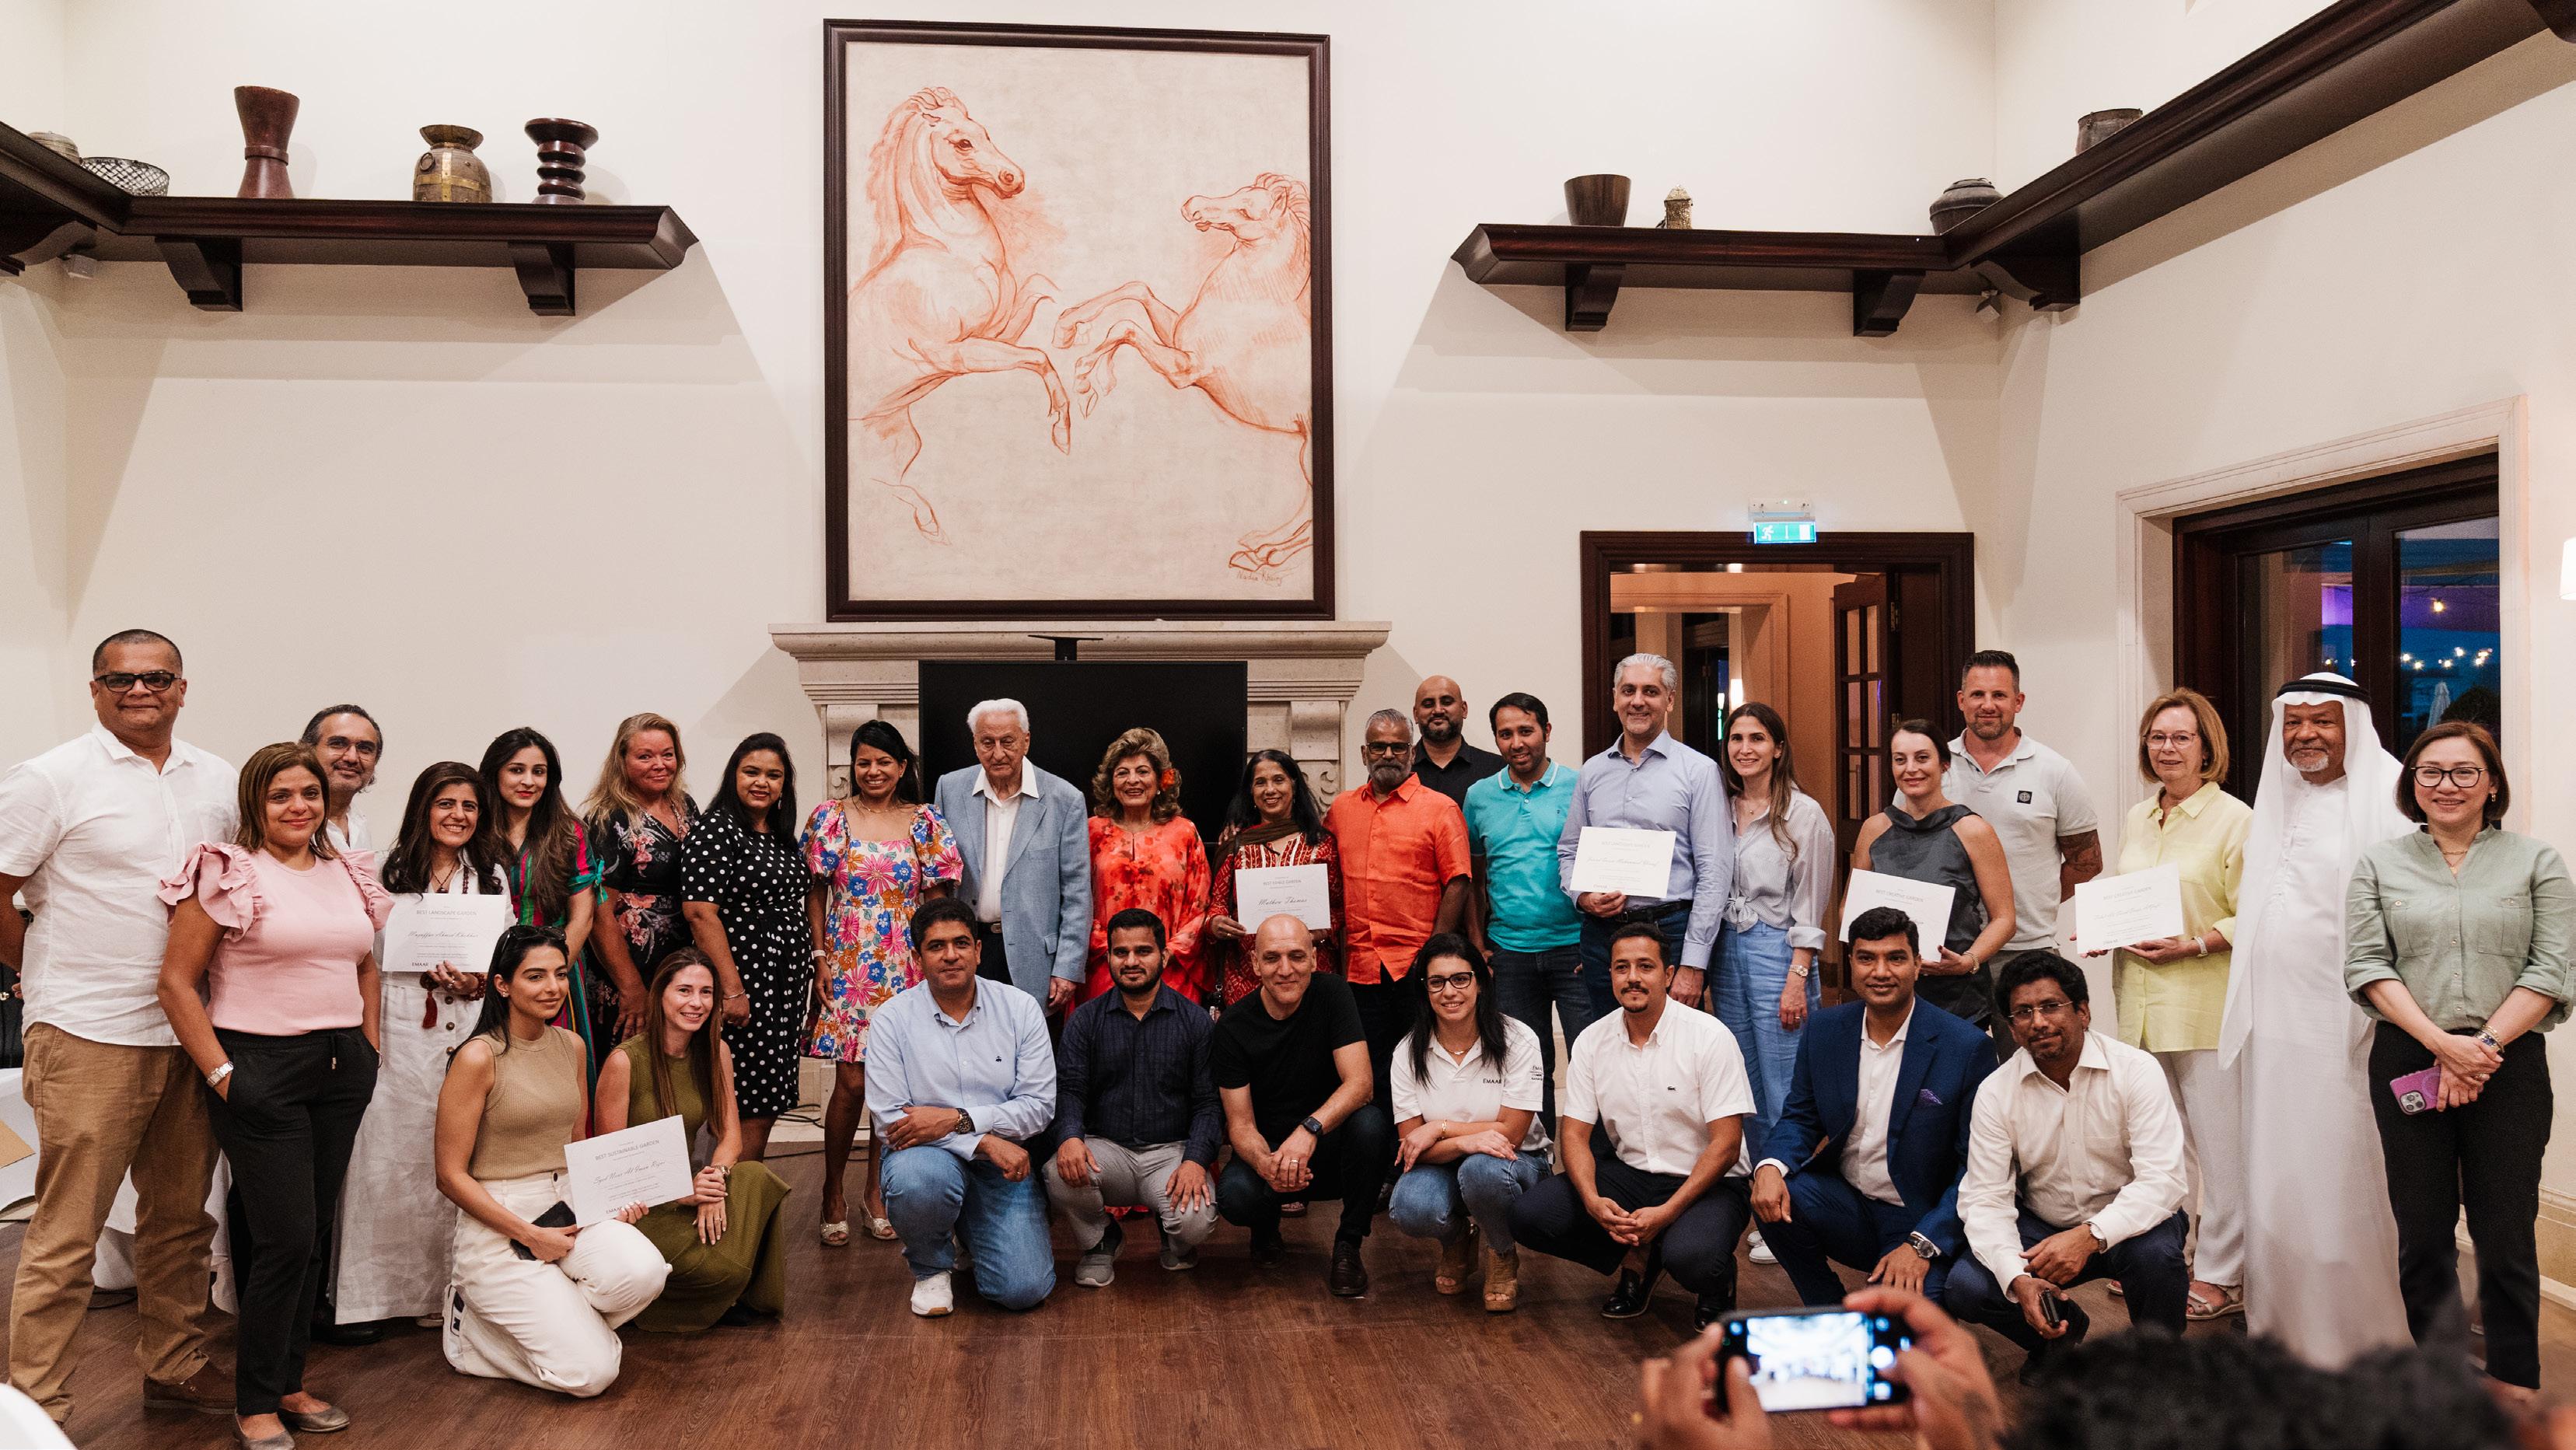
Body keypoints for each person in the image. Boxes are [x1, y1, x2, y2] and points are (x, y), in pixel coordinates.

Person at [0, 631, 236, 1424]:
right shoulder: (51, 777)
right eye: (121, 678)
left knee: (180, 1220)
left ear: (182, 687)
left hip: (191, 1031)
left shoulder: (219, 779)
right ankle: (37, 1405)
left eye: (157, 676)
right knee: (67, 1229)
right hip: (88, 1029)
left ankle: (176, 1363)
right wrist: (37, 968)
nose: (140, 689)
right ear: (95, 689)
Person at [155, 742, 390, 1448]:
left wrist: (369, 1047)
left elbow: (364, 963)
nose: (298, 806)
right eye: (281, 794)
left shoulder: (345, 869)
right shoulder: (228, 870)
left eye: (309, 793)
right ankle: (255, 1399)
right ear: (255, 801)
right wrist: (223, 1075)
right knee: (284, 1235)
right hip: (260, 1067)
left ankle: (288, 1381)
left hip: (340, 1067)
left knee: (310, 1232)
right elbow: (176, 982)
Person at [2348, 720, 2573, 1400]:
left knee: (2505, 1231)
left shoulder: (2537, 861)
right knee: (2422, 1233)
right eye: (2430, 772)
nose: (2446, 785)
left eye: (2463, 771)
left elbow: (2550, 968)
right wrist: (2442, 1044)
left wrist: (2481, 1046)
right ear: (2411, 784)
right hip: (2408, 1053)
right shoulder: (2378, 865)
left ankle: (2512, 1381)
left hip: (2508, 1062)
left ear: (2491, 783)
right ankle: (2441, 1379)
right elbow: (2367, 964)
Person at [2219, 672, 2413, 1368]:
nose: (2305, 735)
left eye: (2322, 721)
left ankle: (2355, 1338)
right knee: (2275, 1172)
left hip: (2345, 1028)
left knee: (2341, 1175)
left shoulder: (2388, 800)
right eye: (2293, 722)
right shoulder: (2280, 798)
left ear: (2351, 727)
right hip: (2272, 1029)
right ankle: (2282, 1329)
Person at [434, 926, 667, 1397]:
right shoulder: (477, 1057)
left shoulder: (572, 1045)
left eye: (560, 974)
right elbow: (449, 1176)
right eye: (535, 976)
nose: (553, 987)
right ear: (503, 985)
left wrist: (608, 1204)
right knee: (591, 1375)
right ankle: (470, 1334)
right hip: (500, 1220)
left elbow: (576, 1142)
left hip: (567, 1203)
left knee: (644, 1271)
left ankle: (560, 1320)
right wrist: (529, 1235)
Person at [2085, 687, 2249, 1322]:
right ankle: (2163, 1257)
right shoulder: (2137, 816)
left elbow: (2252, 914)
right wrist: (2103, 931)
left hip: (2204, 1002)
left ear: (2206, 747)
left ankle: (2222, 1272)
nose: (2167, 748)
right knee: (2159, 1145)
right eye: (2157, 737)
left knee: (2219, 1149)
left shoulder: (2235, 819)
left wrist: (2194, 943)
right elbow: (2127, 895)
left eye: (2181, 737)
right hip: (2140, 1000)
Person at [1945, 954, 2188, 1382]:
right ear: (2012, 1028)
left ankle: (2159, 1367)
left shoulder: (2135, 1070)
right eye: (2023, 1012)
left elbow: (2162, 1180)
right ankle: (2059, 1334)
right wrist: (2018, 1279)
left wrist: (2089, 1236)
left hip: (2130, 1223)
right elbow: (1985, 1198)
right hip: (2044, 1226)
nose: (2038, 1022)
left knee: (2157, 1255)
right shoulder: (1996, 1092)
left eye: (2051, 1006)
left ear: (2083, 1012)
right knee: (1968, 1286)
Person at [333, 763, 510, 1340]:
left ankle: (444, 1293)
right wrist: (368, 1042)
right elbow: (361, 953)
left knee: (455, 1154)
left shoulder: (490, 877)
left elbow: (502, 958)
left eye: (470, 806)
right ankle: (372, 1299)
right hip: (396, 1025)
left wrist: (476, 981)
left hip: (466, 1028)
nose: (458, 815)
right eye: (445, 803)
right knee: (386, 1154)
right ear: (422, 808)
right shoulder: (383, 870)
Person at [1509, 921, 1757, 1331]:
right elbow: (1574, 1135)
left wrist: (1667, 1213)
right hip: (1632, 1174)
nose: (1633, 978)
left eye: (1645, 966)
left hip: (1709, 1182)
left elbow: (1727, 1146)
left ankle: (1714, 1283)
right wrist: (1592, 1200)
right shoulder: (1592, 1040)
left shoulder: (1709, 1036)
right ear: (1610, 974)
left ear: (1669, 975)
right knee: (1530, 1215)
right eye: (1621, 968)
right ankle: (1637, 1257)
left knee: (1692, 1258)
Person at [1749, 906, 1994, 1309]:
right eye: (1867, 958)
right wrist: (1770, 1166)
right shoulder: (1825, 1029)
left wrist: (1923, 1242)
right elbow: (1800, 1116)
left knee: (1909, 1328)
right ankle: (1827, 1312)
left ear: (1918, 965)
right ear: (1852, 964)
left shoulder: (1966, 1047)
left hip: (1919, 1216)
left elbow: (1977, 1166)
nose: (1881, 972)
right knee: (1774, 1194)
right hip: (1847, 1202)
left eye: (1896, 958)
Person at [801, 719, 959, 1245]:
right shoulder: (830, 817)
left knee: (894, 1086)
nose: (873, 771)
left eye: (884, 762)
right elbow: (815, 892)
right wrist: (819, 956)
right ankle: (832, 1190)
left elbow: (937, 900)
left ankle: (876, 1191)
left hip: (906, 965)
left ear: (902, 766)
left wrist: (937, 964)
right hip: (849, 961)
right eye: (863, 761)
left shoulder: (925, 821)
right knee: (852, 1083)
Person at [865, 897, 1058, 1317]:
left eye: (961, 943)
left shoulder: (1021, 1009)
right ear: (917, 957)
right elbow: (892, 1124)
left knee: (1023, 1290)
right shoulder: (891, 1020)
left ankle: (970, 1230)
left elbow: (1039, 1108)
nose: (950, 955)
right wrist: (984, 1140)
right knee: (918, 1180)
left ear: (979, 950)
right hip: (928, 1159)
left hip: (1001, 1167)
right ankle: (931, 1266)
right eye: (936, 946)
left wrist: (955, 1120)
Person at [595, 948, 793, 1331]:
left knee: (756, 1176)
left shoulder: (716, 1051)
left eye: (706, 993)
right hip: (640, 1207)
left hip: (691, 1190)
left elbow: (731, 1136)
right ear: (660, 995)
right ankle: (709, 1290)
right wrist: (681, 1192)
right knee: (724, 1267)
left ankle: (732, 1290)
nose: (696, 1003)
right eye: (684, 991)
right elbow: (611, 1166)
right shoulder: (625, 1061)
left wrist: (714, 1183)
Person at [1213, 916, 1393, 1298]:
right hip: (1270, 1151)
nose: (1285, 970)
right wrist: (1267, 1165)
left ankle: (1348, 1245)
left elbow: (1361, 1085)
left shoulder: (1333, 994)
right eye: (1272, 958)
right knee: (1235, 1197)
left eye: (1296, 956)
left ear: (1313, 958)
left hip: (1326, 1146)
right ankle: (1265, 1228)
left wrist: (1309, 1129)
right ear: (1255, 964)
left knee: (1371, 1125)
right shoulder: (1232, 1026)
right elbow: (1240, 1125)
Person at [1045, 907, 1221, 1288]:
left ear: (1164, 956)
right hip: (1106, 1151)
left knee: (1194, 1221)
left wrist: (1195, 1160)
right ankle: (1100, 1240)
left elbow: (1209, 1104)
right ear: (1108, 957)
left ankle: (1174, 1238)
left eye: (1143, 951)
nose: (1131, 962)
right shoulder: (1085, 1020)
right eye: (1121, 952)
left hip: (1171, 1154)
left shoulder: (1195, 1022)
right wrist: (1070, 1137)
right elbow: (1070, 1090)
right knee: (1057, 1173)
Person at [1558, 652, 1732, 1018]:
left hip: (1671, 931)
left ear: (1670, 700)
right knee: (1608, 1038)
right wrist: (1582, 896)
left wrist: (1693, 963)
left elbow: (1714, 871)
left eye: (1650, 691)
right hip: (1602, 936)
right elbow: (1570, 849)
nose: (1637, 701)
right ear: (1615, 699)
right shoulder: (1592, 771)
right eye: (1628, 691)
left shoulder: (1699, 772)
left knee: (1675, 1043)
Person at [1385, 934, 1548, 1312]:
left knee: (1481, 1171)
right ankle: (1457, 1238)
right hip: (1442, 1162)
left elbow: (1512, 1133)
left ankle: (1502, 1251)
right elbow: (1411, 1147)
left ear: (1480, 982)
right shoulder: (1407, 1052)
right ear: (1425, 989)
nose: (1449, 992)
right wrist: (1462, 1141)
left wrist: (1439, 1128)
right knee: (1410, 1206)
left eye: (1461, 979)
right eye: (1437, 982)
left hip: (1516, 1161)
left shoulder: (1519, 1039)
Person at [680, 733, 816, 1163]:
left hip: (781, 988)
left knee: (768, 1095)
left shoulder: (777, 834)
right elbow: (700, 913)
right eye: (751, 772)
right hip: (745, 983)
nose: (762, 782)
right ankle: (732, 1195)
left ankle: (743, 1191)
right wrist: (732, 989)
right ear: (733, 776)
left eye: (773, 775)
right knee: (748, 1099)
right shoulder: (717, 829)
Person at [1715, 701, 1837, 1175]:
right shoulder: (1719, 807)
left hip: (1779, 952)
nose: (1745, 749)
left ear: (1778, 749)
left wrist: (1797, 978)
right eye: (1737, 739)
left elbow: (1811, 904)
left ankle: (1791, 1186)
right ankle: (1760, 1179)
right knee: (1742, 1076)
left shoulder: (1804, 815)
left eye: (1757, 739)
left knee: (1785, 1078)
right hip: (1726, 949)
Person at [1328, 709, 1471, 1104]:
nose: (1388, 755)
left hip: (1414, 964)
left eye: (1398, 747)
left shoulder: (1440, 809)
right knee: (1369, 1074)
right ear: (1364, 753)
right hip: (1358, 966)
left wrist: (1434, 952)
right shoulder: (1340, 809)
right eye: (1379, 747)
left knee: (1422, 1069)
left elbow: (1458, 881)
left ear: (1412, 753)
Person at [1851, 721, 2017, 1057]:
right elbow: (1848, 909)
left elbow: (2005, 919)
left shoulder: (1973, 830)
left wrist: (1968, 962)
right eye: (1900, 759)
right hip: (1887, 990)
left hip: (1954, 994)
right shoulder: (1874, 829)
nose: (1910, 768)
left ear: (1944, 764)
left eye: (1922, 758)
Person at [1463, 692, 1589, 1130]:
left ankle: (1593, 1156)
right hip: (1510, 952)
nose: (1516, 743)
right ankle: (1541, 1154)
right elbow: (1473, 879)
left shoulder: (1580, 785)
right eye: (1505, 734)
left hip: (1574, 949)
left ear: (1547, 732)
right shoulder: (1479, 797)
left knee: (1588, 1058)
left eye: (1526, 731)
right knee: (1528, 1066)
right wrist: (1478, 944)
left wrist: (1596, 940)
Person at [931, 699, 1087, 1014]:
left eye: (1008, 741)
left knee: (1027, 1041)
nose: (998, 753)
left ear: (1026, 741)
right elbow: (939, 874)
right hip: (966, 948)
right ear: (975, 744)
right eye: (988, 742)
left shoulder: (1065, 799)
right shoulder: (950, 788)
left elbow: (1077, 892)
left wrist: (1068, 967)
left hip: (1036, 957)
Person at [1941, 652, 2101, 957]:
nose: (1988, 705)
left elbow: (2087, 862)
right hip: (1947, 949)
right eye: (1978, 694)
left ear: (2018, 702)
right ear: (1961, 700)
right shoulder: (1932, 767)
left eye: (1999, 695)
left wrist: (2033, 904)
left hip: (2028, 950)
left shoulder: (2055, 771)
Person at [582, 712, 699, 1070]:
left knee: (673, 1069)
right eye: (645, 756)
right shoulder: (609, 818)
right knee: (629, 1070)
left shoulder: (685, 806)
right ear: (622, 760)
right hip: (627, 970)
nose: (659, 765)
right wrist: (631, 988)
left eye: (667, 754)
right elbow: (598, 911)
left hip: (677, 965)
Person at [480, 728, 600, 1054]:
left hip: (555, 975)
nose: (528, 781)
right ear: (495, 773)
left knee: (555, 1068)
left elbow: (583, 918)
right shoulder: (475, 828)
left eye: (539, 772)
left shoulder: (569, 832)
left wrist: (549, 978)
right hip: (485, 977)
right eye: (516, 770)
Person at [1082, 728, 1211, 1004]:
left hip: (1171, 971)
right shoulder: (1091, 832)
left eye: (1142, 771)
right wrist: (1113, 950)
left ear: (1161, 779)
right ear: (1110, 782)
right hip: (1106, 970)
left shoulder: (1184, 833)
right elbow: (1075, 901)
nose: (1133, 780)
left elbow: (1199, 907)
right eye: (1122, 773)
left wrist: (1165, 954)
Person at [1207, 749, 1343, 1005]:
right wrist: (1216, 924)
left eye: (1278, 780)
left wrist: (1322, 932)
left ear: (1294, 784)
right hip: (1247, 981)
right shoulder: (1236, 846)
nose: (1270, 790)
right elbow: (1217, 905)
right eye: (1260, 782)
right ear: (1250, 791)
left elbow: (1338, 909)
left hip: (1310, 978)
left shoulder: (1322, 843)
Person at [1407, 674, 1505, 809]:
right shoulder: (1399, 770)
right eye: (1428, 704)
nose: (1438, 710)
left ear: (1464, 709)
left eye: (1447, 702)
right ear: (1416, 714)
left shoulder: (1497, 769)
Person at [300, 704, 383, 855]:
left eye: (365, 748)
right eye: (338, 744)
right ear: (308, 750)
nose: (352, 758)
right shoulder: (288, 821)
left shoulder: (359, 822)